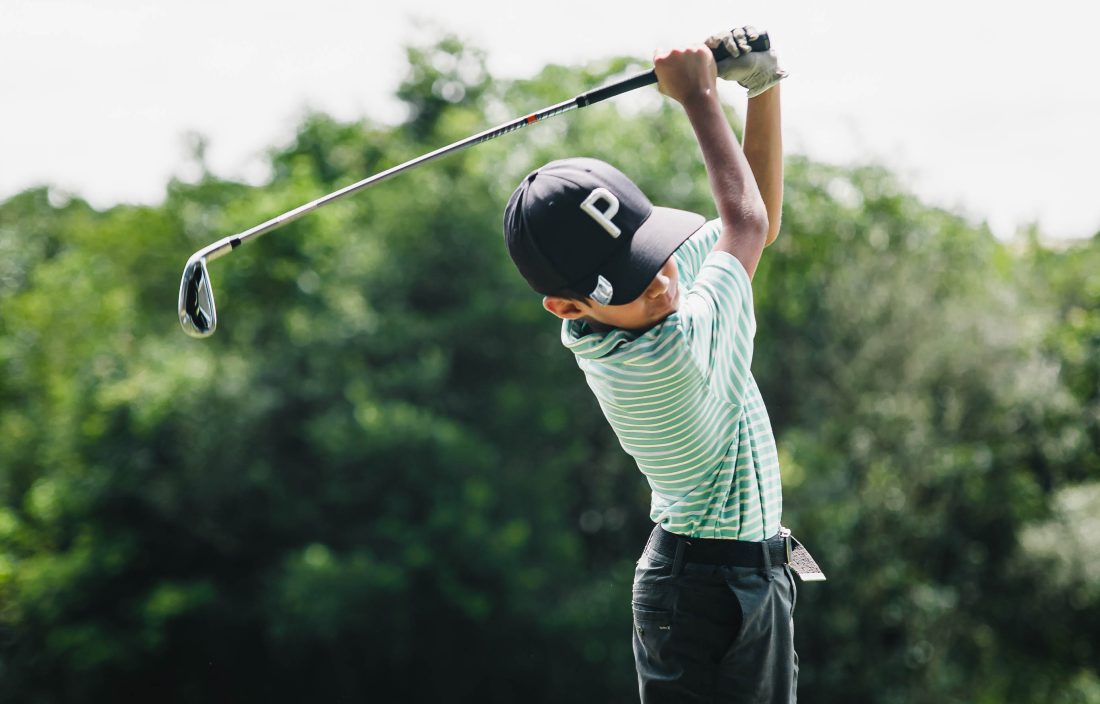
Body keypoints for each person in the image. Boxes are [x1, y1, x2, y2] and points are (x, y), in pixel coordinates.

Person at [503, 27, 804, 703]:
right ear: (566, 306)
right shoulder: (660, 357)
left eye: (651, 254)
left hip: (745, 572)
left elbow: (755, 219)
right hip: (701, 596)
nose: (663, 281)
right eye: (632, 279)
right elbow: (747, 227)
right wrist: (699, 100)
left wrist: (762, 88)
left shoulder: (642, 300)